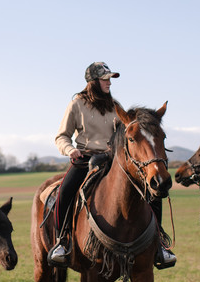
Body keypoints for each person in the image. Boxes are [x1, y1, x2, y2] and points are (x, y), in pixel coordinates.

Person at [49, 62, 176, 269]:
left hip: (113, 159)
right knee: (65, 191)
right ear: (93, 82)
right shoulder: (76, 105)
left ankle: (159, 244)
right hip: (84, 159)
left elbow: (128, 132)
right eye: (105, 79)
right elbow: (61, 136)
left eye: (110, 79)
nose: (109, 83)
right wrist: (70, 150)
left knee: (151, 190)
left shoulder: (115, 106)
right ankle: (62, 242)